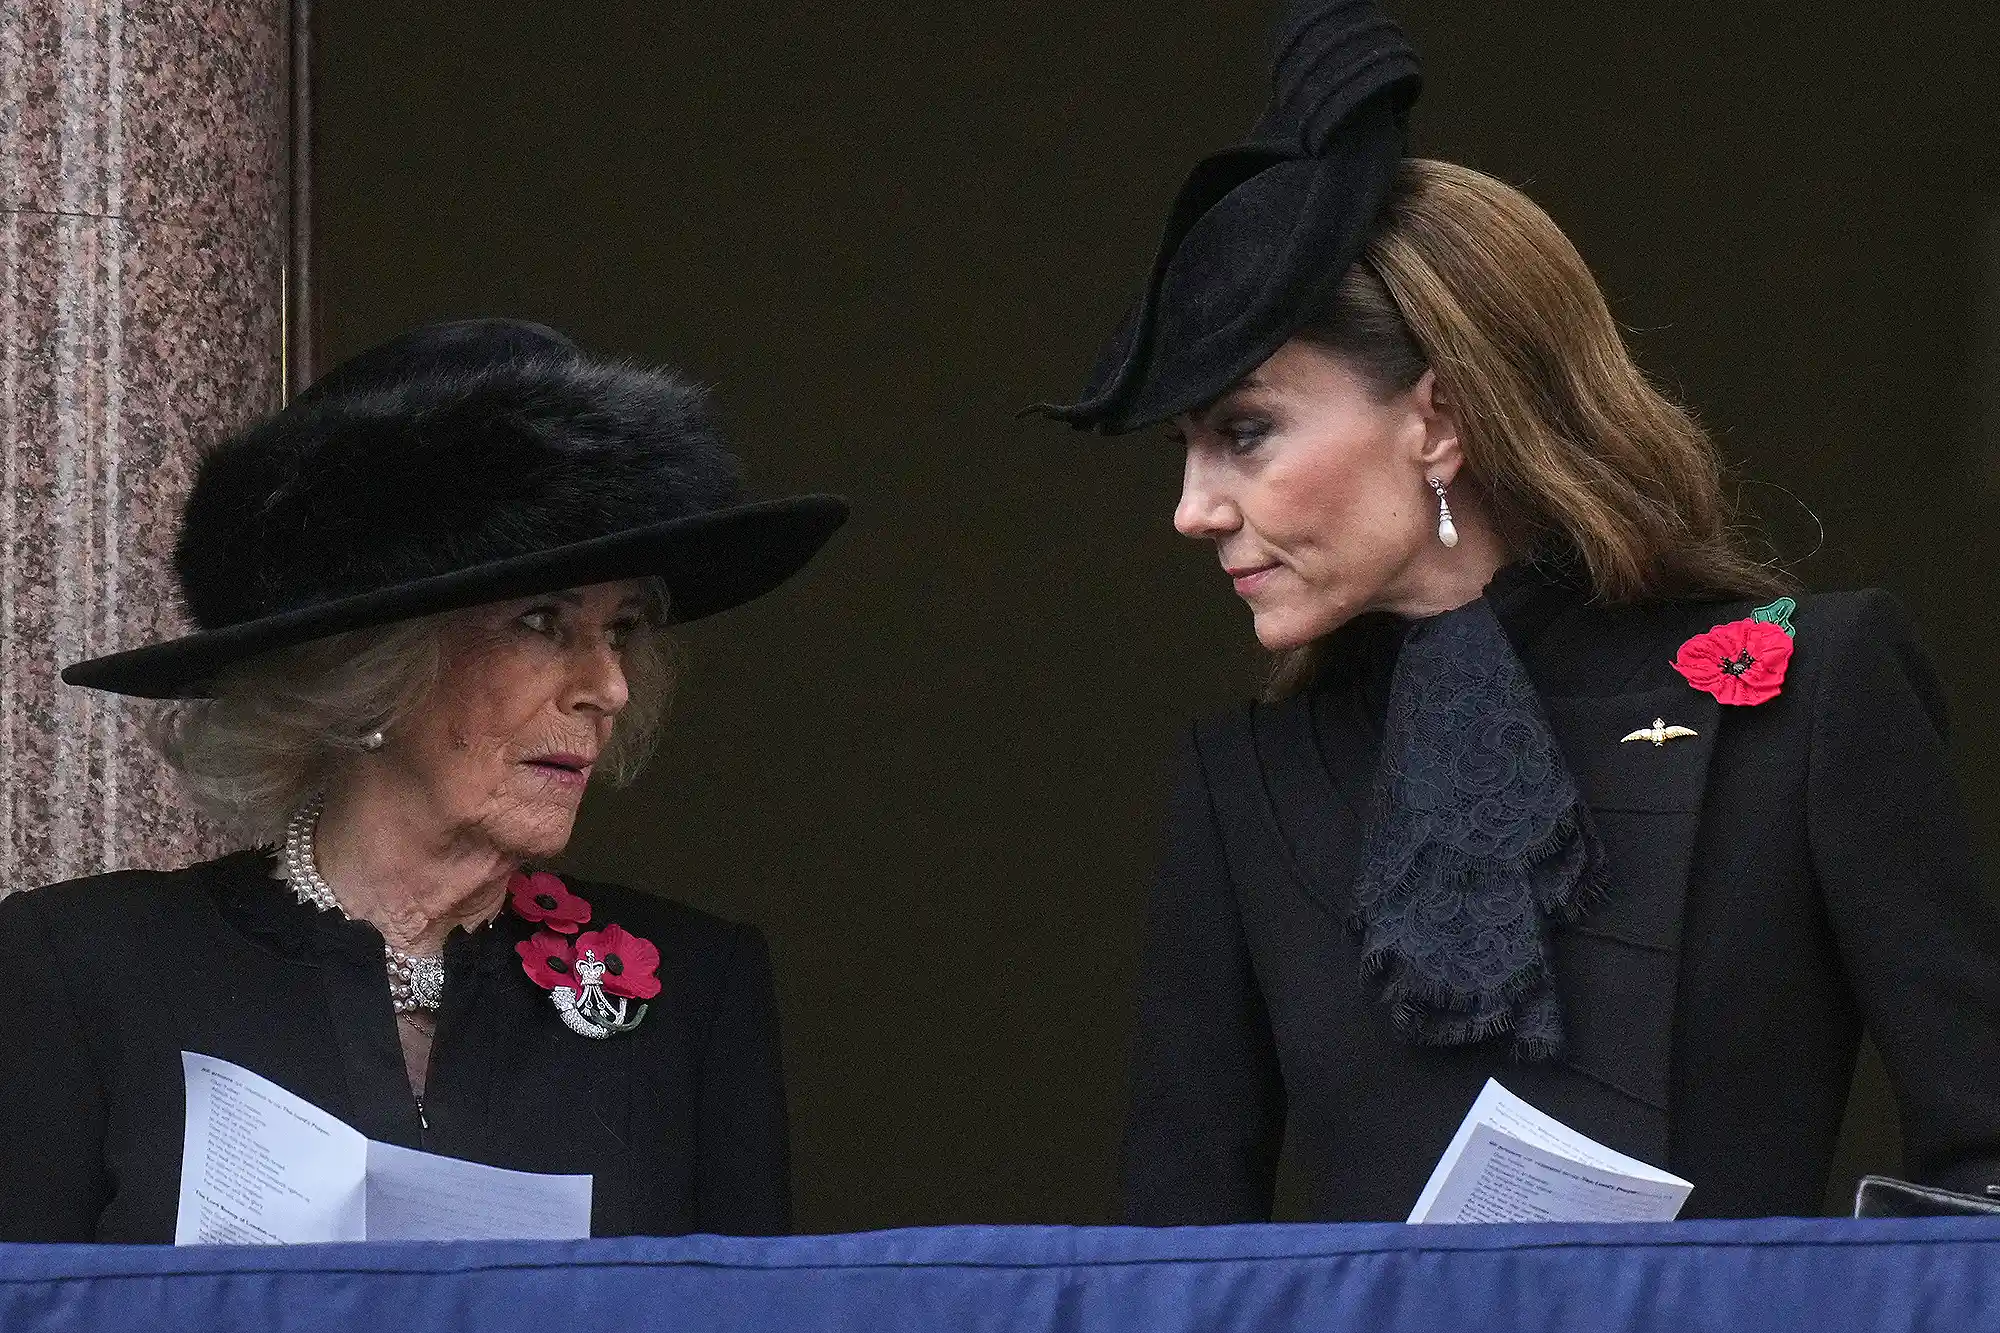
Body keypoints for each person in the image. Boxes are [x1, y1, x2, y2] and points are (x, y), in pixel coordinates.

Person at [1038, 0, 2000, 1221]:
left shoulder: (1812, 694)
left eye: (1243, 433)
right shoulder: (1242, 784)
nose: (1191, 509)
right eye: (1185, 451)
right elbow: (1174, 1254)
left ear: (1436, 419)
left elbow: (1983, 1166)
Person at [0, 319, 847, 1241]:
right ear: (369, 670)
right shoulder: (82, 969)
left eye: (623, 627)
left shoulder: (693, 991)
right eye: (542, 622)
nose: (608, 687)